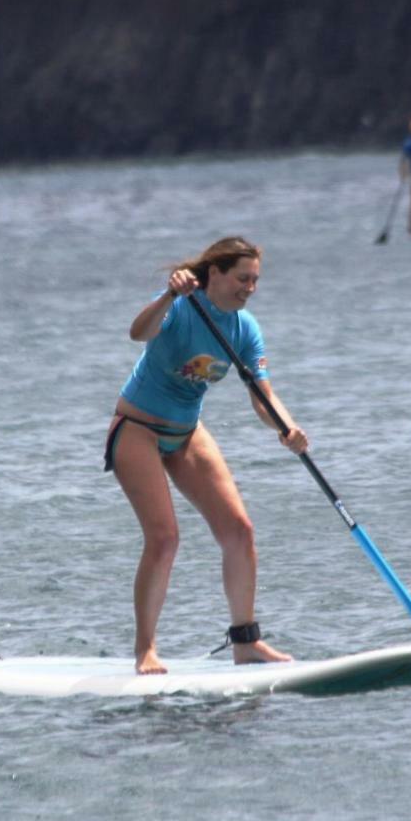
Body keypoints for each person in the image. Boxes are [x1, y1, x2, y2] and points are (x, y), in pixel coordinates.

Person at [105, 236, 309, 675]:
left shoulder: (244, 328)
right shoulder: (181, 305)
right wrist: (168, 294)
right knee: (164, 539)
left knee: (240, 530)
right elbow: (137, 333)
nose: (249, 288)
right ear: (214, 274)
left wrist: (286, 427)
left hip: (185, 433)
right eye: (242, 278)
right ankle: (146, 650)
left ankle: (246, 642)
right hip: (137, 429)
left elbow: (262, 394)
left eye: (255, 280)